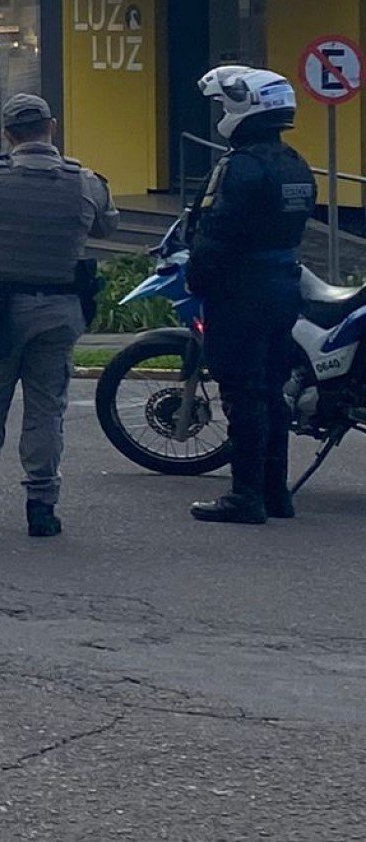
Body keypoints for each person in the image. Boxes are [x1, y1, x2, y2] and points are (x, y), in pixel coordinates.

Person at [0, 94, 119, 538]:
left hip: (1, 309)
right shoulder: (83, 181)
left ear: (7, 133)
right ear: (51, 127)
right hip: (61, 308)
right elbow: (106, 226)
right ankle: (41, 506)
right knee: (46, 408)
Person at [184, 66, 317, 525]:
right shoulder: (294, 162)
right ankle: (274, 492)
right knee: (271, 391)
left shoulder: (239, 166)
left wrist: (198, 276)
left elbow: (217, 231)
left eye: (224, 104)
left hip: (240, 290)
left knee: (242, 394)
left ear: (245, 107)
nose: (221, 111)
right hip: (283, 285)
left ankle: (245, 497)